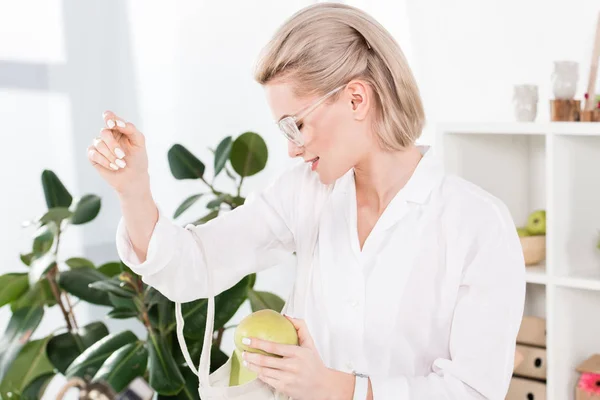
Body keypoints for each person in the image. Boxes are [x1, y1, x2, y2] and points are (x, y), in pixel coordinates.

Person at [87, 3, 526, 399]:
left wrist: (346, 391)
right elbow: (195, 265)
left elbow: (473, 391)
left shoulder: (477, 224)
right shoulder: (304, 192)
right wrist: (134, 190)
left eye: (295, 125)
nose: (293, 149)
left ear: (356, 98)